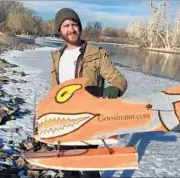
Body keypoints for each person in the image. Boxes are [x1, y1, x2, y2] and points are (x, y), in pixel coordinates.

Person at [49, 8, 127, 178]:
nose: (71, 29)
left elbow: (119, 80)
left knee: (89, 168)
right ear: (59, 30)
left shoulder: (96, 54)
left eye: (74, 24)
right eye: (66, 25)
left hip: (91, 120)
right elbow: (54, 92)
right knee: (69, 168)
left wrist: (113, 90)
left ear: (80, 27)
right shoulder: (57, 57)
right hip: (65, 120)